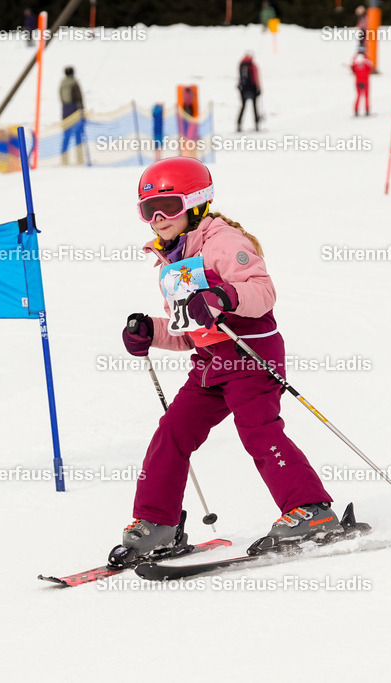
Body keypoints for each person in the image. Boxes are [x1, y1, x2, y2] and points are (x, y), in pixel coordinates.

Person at [116, 157, 339, 562]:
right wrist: (151, 330)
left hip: (251, 355)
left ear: (198, 203)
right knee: (172, 433)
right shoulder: (172, 258)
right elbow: (190, 331)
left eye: (171, 207)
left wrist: (224, 296)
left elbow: (261, 290)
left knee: (258, 430)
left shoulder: (224, 243)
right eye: (149, 210)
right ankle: (157, 523)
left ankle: (312, 511)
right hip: (209, 363)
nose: (160, 218)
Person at [59, 66, 86, 165]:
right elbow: (79, 97)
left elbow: (61, 97)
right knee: (78, 135)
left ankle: (64, 159)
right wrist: (82, 110)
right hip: (74, 110)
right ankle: (80, 159)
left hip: (65, 110)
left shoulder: (62, 83)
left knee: (66, 135)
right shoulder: (74, 83)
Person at [236, 51, 261, 132]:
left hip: (243, 89)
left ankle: (239, 125)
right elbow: (256, 78)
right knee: (254, 107)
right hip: (253, 89)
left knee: (243, 107)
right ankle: (257, 125)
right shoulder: (252, 65)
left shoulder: (241, 64)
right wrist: (258, 88)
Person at [351, 46, 372, 116]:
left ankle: (356, 111)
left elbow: (353, 69)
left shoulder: (355, 59)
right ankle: (367, 111)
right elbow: (370, 68)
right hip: (365, 80)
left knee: (358, 95)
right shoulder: (366, 59)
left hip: (358, 81)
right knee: (366, 96)